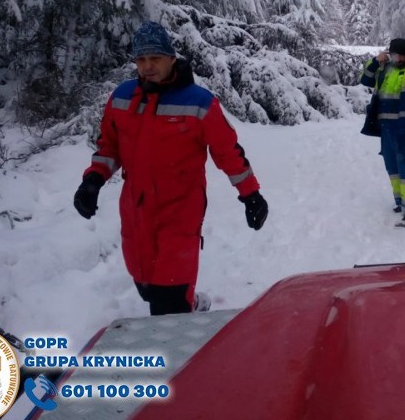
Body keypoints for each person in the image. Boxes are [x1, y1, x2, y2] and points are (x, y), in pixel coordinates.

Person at [73, 21, 268, 315]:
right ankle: (189, 304)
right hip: (136, 208)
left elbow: (228, 152)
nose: (148, 66)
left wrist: (250, 195)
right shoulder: (122, 98)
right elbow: (109, 148)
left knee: (168, 297)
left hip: (181, 209)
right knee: (147, 285)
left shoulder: (199, 103)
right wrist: (93, 181)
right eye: (141, 59)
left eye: (155, 58)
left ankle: (181, 326)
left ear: (171, 59)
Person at [360, 38, 405, 225]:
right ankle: (400, 201)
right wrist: (377, 61)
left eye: (401, 55)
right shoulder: (385, 69)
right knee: (391, 164)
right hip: (387, 127)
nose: (398, 58)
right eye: (394, 55)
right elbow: (365, 79)